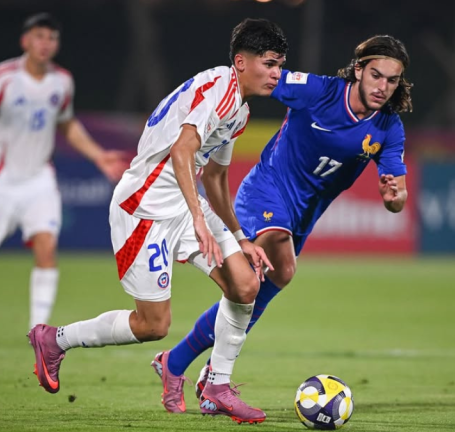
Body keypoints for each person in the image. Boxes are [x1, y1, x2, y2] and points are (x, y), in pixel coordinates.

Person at [27, 18, 288, 425]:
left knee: (245, 283)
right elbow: (184, 151)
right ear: (241, 61)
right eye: (269, 63)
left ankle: (218, 386)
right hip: (143, 210)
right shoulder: (220, 89)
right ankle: (55, 339)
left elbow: (216, 177)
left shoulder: (239, 110)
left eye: (280, 65)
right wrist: (201, 223)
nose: (277, 73)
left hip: (184, 205)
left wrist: (239, 235)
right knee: (153, 325)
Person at [152, 34, 413, 409]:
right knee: (274, 268)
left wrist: (395, 197)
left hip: (304, 215)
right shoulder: (319, 91)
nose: (383, 87)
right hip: (266, 191)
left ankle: (178, 363)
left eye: (392, 80)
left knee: (258, 288)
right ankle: (214, 377)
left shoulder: (389, 128)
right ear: (358, 70)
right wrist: (214, 105)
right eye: (376, 75)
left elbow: (396, 198)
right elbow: (263, 80)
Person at [0, 13, 127, 348]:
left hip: (39, 180)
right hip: (1, 182)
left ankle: (39, 331)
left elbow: (67, 124)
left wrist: (97, 155)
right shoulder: (3, 77)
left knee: (46, 248)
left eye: (51, 38)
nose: (45, 43)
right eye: (39, 36)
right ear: (26, 41)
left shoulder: (62, 81)